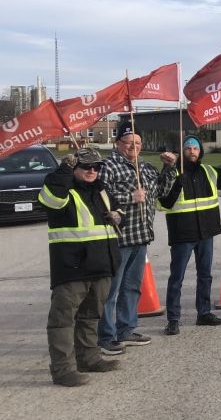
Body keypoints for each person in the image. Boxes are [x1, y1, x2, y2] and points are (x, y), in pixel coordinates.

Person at [38, 148, 121, 386]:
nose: (92, 171)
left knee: (90, 316)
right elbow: (50, 199)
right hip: (72, 267)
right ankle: (63, 370)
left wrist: (118, 215)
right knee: (62, 320)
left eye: (96, 167)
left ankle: (89, 358)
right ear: (73, 168)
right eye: (86, 167)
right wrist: (64, 169)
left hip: (101, 265)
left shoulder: (100, 189)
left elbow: (117, 209)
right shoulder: (62, 189)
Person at [97, 122, 176, 354]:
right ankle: (106, 336)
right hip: (118, 238)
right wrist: (129, 196)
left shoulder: (146, 167)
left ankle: (126, 329)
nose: (134, 146)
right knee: (111, 290)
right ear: (118, 143)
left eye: (138, 143)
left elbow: (161, 191)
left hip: (141, 236)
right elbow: (99, 195)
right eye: (129, 142)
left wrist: (169, 169)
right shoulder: (107, 165)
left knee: (132, 288)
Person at [157, 136, 221, 336]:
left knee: (205, 275)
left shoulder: (209, 171)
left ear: (200, 152)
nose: (192, 151)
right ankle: (173, 319)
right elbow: (163, 203)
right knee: (177, 277)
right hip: (182, 233)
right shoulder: (172, 172)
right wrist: (176, 182)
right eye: (188, 148)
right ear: (182, 151)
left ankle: (203, 313)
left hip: (206, 232)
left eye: (195, 148)